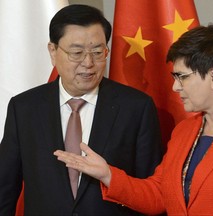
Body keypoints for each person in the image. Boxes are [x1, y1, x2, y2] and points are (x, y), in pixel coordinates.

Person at [54, 24, 213, 215]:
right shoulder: (185, 130)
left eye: (182, 77)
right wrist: (108, 174)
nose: (175, 87)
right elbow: (158, 195)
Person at [0, 4, 163, 216]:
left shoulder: (136, 108)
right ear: (53, 51)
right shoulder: (24, 108)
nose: (88, 63)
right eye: (77, 52)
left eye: (97, 52)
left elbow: (150, 191)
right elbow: (5, 189)